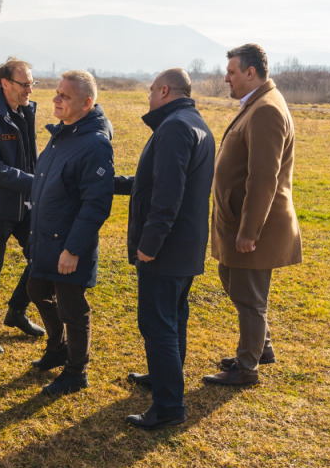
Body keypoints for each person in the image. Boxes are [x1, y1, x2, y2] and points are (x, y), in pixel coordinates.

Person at [113, 69, 215, 429]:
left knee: (157, 325)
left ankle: (169, 406)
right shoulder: (194, 122)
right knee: (174, 318)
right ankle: (164, 380)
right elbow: (159, 180)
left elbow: (167, 195)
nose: (148, 97)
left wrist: (149, 245)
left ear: (165, 90)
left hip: (166, 248)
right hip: (186, 247)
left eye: (152, 90)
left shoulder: (173, 127)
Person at [203, 43, 302, 386]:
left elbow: (264, 178)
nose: (226, 78)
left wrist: (249, 231)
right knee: (234, 281)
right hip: (239, 220)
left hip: (254, 225)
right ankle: (261, 348)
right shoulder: (259, 103)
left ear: (251, 72)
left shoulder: (265, 110)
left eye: (232, 72)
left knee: (249, 297)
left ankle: (247, 368)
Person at [26, 70, 114, 395]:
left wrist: (73, 249)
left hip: (67, 247)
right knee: (36, 290)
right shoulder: (62, 133)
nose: (56, 99)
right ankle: (57, 347)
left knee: (73, 309)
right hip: (45, 240)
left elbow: (96, 204)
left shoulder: (95, 146)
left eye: (65, 96)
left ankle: (77, 371)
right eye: (57, 93)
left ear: (87, 103)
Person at [0, 57, 45, 354]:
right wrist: (37, 182)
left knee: (42, 258)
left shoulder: (26, 112)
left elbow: (31, 159)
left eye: (31, 83)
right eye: (24, 84)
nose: (29, 89)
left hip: (26, 207)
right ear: (5, 84)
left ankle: (16, 311)